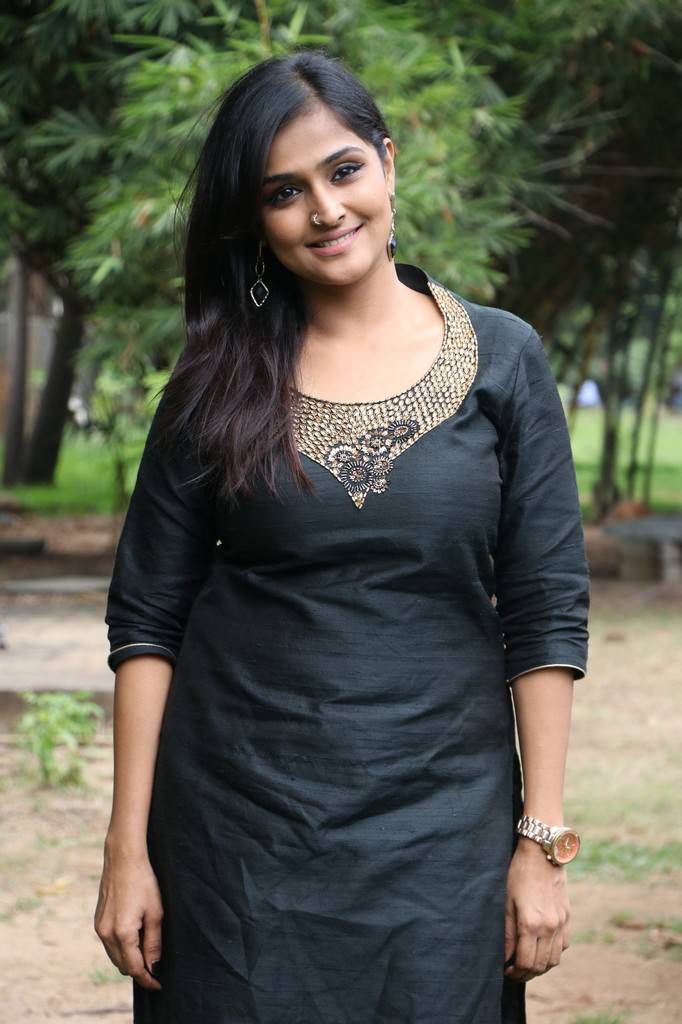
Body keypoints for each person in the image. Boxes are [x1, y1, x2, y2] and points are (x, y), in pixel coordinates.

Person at [94, 50, 590, 1024]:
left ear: (388, 163)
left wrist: (540, 843)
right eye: (283, 192)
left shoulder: (504, 359)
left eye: (343, 170)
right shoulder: (214, 378)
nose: (324, 210)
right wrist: (126, 850)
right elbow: (147, 620)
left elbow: (543, 613)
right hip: (237, 835)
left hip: (444, 832)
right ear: (255, 219)